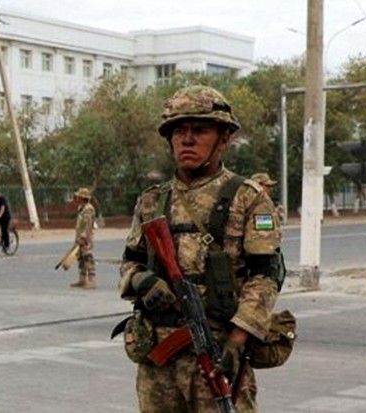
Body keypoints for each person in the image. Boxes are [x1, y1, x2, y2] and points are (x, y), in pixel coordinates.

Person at [118, 85, 281, 412]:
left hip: (218, 350)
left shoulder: (248, 198)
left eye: (200, 130)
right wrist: (143, 281)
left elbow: (266, 276)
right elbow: (130, 263)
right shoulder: (152, 200)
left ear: (224, 139)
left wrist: (239, 338)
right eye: (179, 130)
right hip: (157, 357)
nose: (187, 139)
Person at [69, 188, 97, 289]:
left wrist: (84, 237)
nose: (77, 198)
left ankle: (91, 280)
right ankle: (82, 279)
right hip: (79, 236)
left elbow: (88, 225)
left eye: (78, 197)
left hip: (86, 238)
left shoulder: (88, 209)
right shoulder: (81, 208)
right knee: (80, 258)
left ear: (83, 198)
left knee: (87, 258)